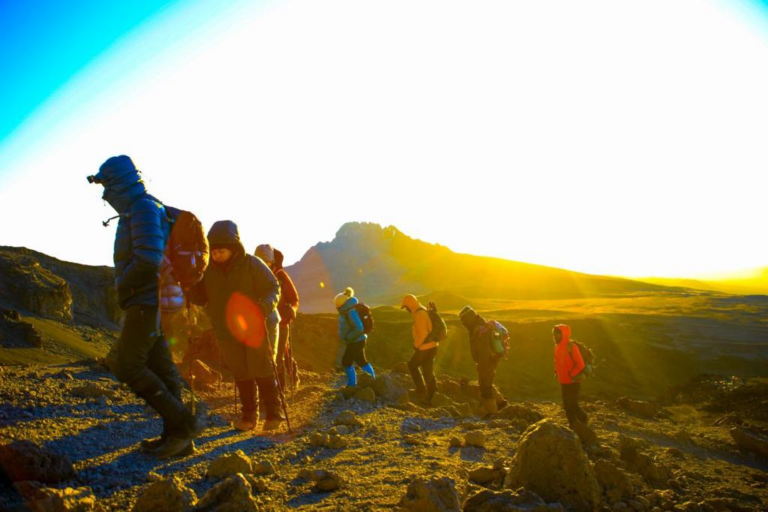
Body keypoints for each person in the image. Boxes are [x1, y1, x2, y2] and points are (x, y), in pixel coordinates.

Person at [89, 155, 204, 459]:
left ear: (119, 183)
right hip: (153, 299)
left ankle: (184, 424)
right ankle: (177, 439)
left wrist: (124, 286)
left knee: (128, 364)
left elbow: (149, 258)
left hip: (147, 299)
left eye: (105, 186)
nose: (104, 195)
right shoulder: (143, 207)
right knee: (158, 365)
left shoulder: (140, 208)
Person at [188, 221, 284, 431]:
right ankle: (249, 417)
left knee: (262, 366)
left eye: (221, 251)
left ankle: (274, 415)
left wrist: (263, 307)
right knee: (241, 371)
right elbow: (201, 296)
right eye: (213, 251)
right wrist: (190, 288)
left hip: (260, 325)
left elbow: (273, 288)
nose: (216, 255)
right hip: (226, 328)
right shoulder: (207, 269)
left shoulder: (252, 264)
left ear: (233, 248)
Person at [255, 245, 300, 391]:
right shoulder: (251, 276)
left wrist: (291, 310)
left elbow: (294, 299)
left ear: (272, 262)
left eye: (266, 262)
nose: (263, 266)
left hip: (280, 324)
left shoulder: (281, 277)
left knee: (277, 358)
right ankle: (266, 391)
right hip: (257, 325)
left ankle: (278, 391)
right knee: (261, 358)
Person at [459, 305, 502, 415]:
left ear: (469, 318)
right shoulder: (478, 326)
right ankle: (501, 404)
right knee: (487, 383)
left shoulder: (480, 330)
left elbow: (484, 352)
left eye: (463, 321)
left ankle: (492, 413)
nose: (462, 324)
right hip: (490, 359)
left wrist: (482, 368)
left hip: (487, 361)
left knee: (485, 387)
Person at [335, 287, 375, 387]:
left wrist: (348, 337)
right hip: (358, 340)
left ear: (341, 304)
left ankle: (351, 385)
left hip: (356, 341)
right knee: (361, 360)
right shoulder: (347, 311)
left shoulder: (350, 312)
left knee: (346, 361)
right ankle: (373, 379)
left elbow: (359, 328)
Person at [401, 294, 437, 404]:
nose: (406, 309)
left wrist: (416, 345)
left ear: (410, 305)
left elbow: (423, 334)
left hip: (426, 347)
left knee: (412, 365)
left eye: (406, 307)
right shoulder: (421, 311)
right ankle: (432, 394)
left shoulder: (419, 314)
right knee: (427, 370)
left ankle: (423, 391)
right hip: (431, 346)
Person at [553, 324, 588, 426]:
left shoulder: (572, 347)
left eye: (557, 333)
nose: (554, 336)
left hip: (573, 382)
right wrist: (556, 371)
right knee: (567, 405)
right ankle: (573, 425)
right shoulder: (557, 347)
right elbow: (558, 362)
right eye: (553, 333)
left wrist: (571, 374)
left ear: (563, 334)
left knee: (573, 405)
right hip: (564, 382)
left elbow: (580, 364)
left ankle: (584, 419)